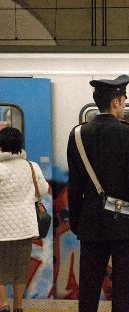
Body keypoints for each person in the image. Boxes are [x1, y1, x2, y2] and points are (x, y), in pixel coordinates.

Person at [66, 75, 129, 312]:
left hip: (90, 226)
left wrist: (76, 222)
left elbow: (74, 185)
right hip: (125, 227)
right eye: (124, 100)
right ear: (116, 102)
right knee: (124, 292)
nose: (124, 105)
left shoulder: (77, 134)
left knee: (88, 290)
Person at [0, 127, 49, 312]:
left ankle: (3, 304)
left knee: (1, 268)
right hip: (24, 226)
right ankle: (18, 306)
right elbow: (42, 189)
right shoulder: (31, 166)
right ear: (20, 145)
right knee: (20, 268)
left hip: (1, 227)